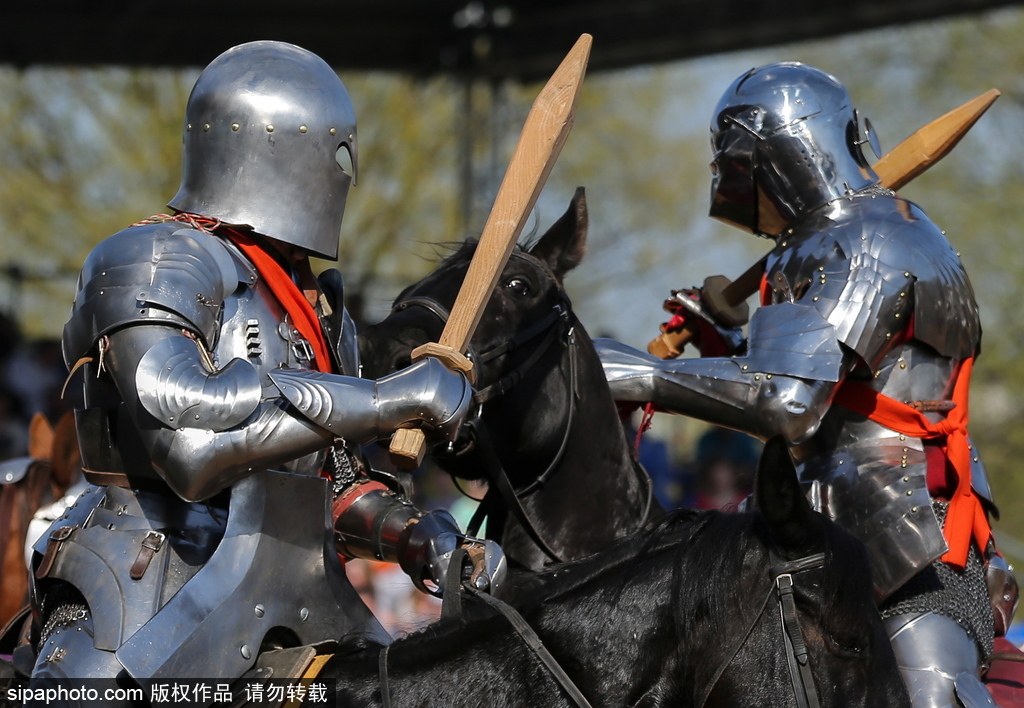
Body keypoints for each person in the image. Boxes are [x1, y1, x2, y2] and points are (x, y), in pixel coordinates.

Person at [24, 41, 504, 695]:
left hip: (299, 602)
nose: (343, 176)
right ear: (281, 150)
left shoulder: (312, 301)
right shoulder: (155, 260)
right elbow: (190, 452)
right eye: (335, 154)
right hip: (144, 589)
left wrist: (419, 539)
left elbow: (331, 486)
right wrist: (386, 398)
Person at [596, 62, 1016, 706]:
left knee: (927, 693)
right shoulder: (823, 243)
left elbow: (790, 401)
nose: (725, 180)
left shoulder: (870, 241)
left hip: (905, 528)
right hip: (814, 512)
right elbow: (833, 377)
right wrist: (728, 343)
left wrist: (644, 372)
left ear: (775, 156)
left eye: (731, 162)